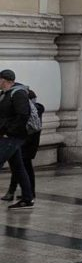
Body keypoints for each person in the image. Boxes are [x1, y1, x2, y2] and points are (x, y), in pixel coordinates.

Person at [0, 69, 34, 209]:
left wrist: (9, 132)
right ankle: (27, 198)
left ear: (4, 80)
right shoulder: (5, 94)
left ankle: (27, 198)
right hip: (8, 136)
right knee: (18, 167)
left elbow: (23, 115)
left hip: (12, 137)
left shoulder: (18, 93)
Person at [2, 89, 42, 202]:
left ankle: (22, 193)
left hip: (23, 141)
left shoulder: (31, 110)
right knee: (20, 167)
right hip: (22, 141)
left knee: (21, 167)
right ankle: (26, 194)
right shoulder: (32, 109)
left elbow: (28, 126)